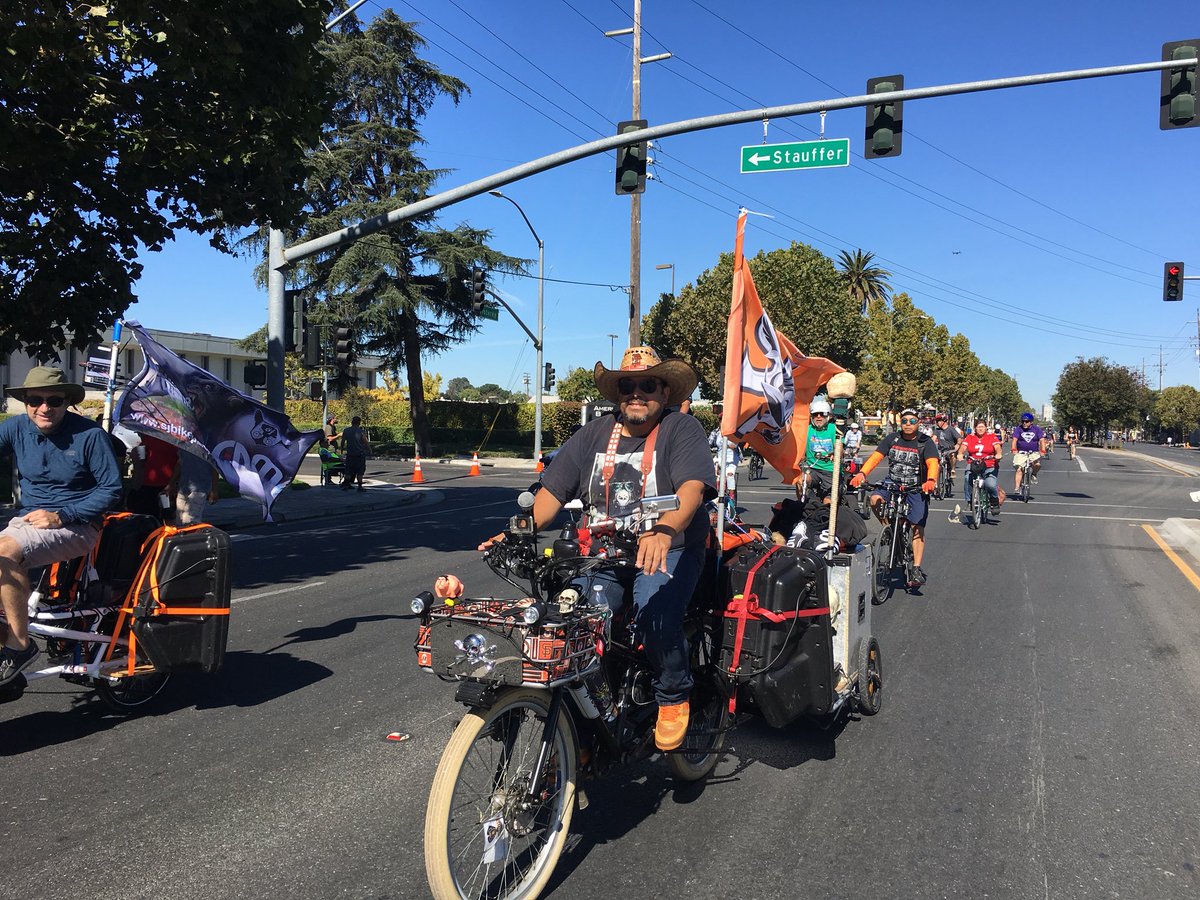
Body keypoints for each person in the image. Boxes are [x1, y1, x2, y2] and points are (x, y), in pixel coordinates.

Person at [479, 346, 715, 752]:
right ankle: (587, 725)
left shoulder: (681, 429)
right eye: (627, 385)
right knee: (575, 622)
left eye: (647, 384)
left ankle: (674, 694)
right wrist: (512, 534)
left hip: (670, 547)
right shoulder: (594, 433)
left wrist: (662, 529)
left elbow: (692, 490)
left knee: (654, 614)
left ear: (664, 391)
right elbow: (551, 495)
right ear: (617, 392)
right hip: (605, 555)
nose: (636, 393)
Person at [0, 367, 123, 685]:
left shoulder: (89, 435)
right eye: (35, 400)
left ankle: (20, 646)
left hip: (78, 526)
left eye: (54, 400)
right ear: (25, 401)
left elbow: (112, 489)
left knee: (2, 553)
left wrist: (64, 514)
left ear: (67, 402)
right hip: (26, 521)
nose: (44, 407)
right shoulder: (15, 428)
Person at [849, 408, 939, 587]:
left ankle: (916, 568)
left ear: (918, 423)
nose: (907, 424)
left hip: (916, 488)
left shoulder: (925, 442)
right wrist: (862, 474)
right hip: (893, 483)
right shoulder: (893, 439)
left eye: (912, 421)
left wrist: (931, 480)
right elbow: (876, 457)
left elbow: (932, 463)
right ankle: (889, 530)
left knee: (917, 526)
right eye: (904, 421)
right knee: (874, 499)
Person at [955, 419, 1004, 520]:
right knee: (967, 477)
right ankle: (969, 501)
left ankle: (994, 502)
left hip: (989, 464)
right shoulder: (970, 437)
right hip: (974, 463)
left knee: (990, 484)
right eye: (978, 427)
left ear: (986, 428)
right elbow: (963, 446)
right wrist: (960, 453)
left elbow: (997, 447)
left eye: (982, 427)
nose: (980, 429)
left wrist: (998, 454)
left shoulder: (992, 437)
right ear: (975, 428)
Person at [126, 432, 180, 521]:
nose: (139, 435)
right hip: (153, 485)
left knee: (163, 514)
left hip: (163, 486)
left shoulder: (173, 440)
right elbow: (140, 464)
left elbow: (140, 464)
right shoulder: (147, 441)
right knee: (159, 515)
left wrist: (172, 484)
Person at [172, 451, 219, 525]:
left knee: (189, 520)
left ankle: (192, 535)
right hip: (183, 487)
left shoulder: (206, 448)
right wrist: (171, 483)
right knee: (179, 520)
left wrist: (214, 490)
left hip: (200, 488)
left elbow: (215, 468)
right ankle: (185, 535)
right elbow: (179, 463)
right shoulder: (183, 444)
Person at [802, 398, 838, 495]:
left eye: (822, 414)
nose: (818, 417)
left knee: (828, 503)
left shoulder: (834, 429)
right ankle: (801, 503)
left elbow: (839, 446)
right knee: (801, 479)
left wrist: (836, 452)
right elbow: (800, 448)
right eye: (815, 414)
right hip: (813, 469)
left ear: (828, 416)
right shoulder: (806, 429)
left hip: (830, 470)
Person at [1011, 412, 1046, 495]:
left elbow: (1041, 440)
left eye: (1027, 421)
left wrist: (1043, 450)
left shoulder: (1037, 429)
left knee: (1037, 465)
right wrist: (1013, 449)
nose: (1024, 423)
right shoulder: (1018, 429)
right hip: (1021, 452)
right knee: (1019, 469)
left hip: (1033, 452)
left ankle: (1033, 474)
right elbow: (1015, 440)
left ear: (1031, 422)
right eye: (1023, 421)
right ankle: (1017, 488)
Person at [932, 412, 962, 495]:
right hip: (941, 451)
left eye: (939, 421)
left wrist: (957, 444)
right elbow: (933, 439)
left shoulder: (950, 429)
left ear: (945, 421)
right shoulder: (937, 430)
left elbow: (959, 438)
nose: (938, 423)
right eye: (937, 421)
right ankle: (936, 485)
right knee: (937, 465)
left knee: (952, 455)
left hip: (950, 450)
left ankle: (952, 470)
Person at [340, 416, 371, 491]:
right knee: (360, 471)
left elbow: (343, 441)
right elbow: (365, 441)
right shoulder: (360, 431)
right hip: (359, 454)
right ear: (359, 422)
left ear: (352, 422)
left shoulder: (346, 430)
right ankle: (360, 487)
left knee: (348, 470)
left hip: (350, 454)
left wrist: (341, 450)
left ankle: (346, 485)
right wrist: (369, 449)